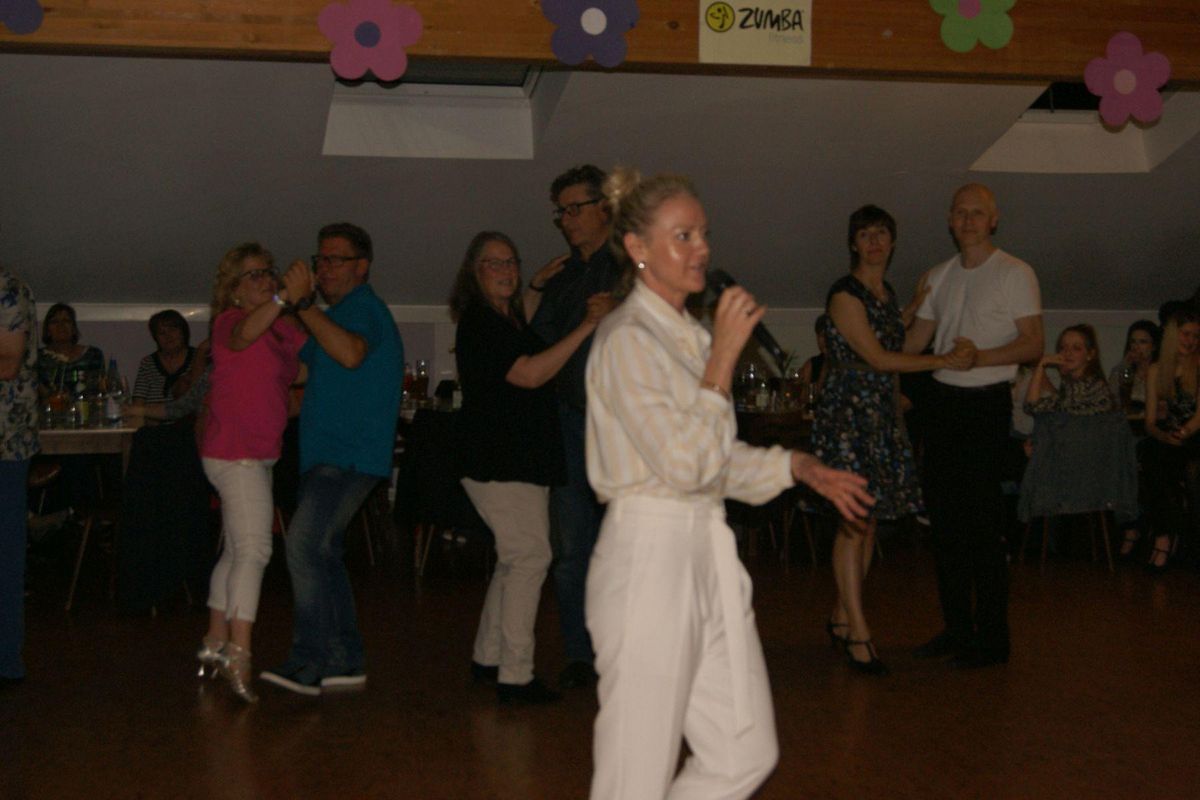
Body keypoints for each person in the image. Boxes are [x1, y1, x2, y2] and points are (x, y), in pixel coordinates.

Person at [585, 167, 874, 799]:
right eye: (683, 235)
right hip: (648, 556)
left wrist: (796, 467)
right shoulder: (626, 339)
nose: (702, 249)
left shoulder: (688, 337)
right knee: (635, 776)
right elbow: (683, 464)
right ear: (637, 248)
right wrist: (721, 360)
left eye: (704, 234)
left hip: (706, 551)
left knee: (744, 751)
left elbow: (713, 461)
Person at [449, 231, 612, 705]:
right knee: (530, 558)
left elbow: (525, 335)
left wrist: (536, 288)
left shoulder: (504, 317)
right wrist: (587, 325)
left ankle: (488, 658)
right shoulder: (481, 321)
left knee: (515, 558)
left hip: (516, 458)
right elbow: (529, 372)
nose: (506, 270)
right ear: (474, 271)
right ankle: (515, 676)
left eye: (511, 262)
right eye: (493, 263)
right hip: (499, 460)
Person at [811, 205, 973, 676]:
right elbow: (879, 358)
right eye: (865, 235)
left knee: (868, 522)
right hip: (848, 416)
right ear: (853, 243)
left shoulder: (884, 294)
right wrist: (944, 361)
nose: (875, 243)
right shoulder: (844, 295)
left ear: (893, 241)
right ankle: (859, 632)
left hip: (878, 414)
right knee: (853, 522)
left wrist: (913, 306)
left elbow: (891, 335)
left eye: (882, 234)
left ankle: (842, 616)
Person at [260, 222, 402, 696]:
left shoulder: (364, 309)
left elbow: (351, 353)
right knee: (322, 552)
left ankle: (310, 661)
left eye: (335, 259)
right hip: (329, 454)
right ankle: (344, 658)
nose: (324, 268)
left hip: (348, 455)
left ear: (362, 267)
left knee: (302, 546)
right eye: (320, 259)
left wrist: (304, 307)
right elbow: (307, 371)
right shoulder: (338, 316)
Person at [906, 183, 1043, 670]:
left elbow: (1032, 344)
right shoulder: (938, 276)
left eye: (977, 213)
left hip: (985, 404)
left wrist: (978, 357)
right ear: (949, 220)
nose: (968, 220)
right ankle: (957, 629)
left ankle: (992, 639)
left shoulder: (1015, 272)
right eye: (961, 212)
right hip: (942, 403)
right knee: (944, 524)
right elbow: (914, 343)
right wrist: (882, 327)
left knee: (982, 527)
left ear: (994, 219)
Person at [194, 243, 307, 703]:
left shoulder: (281, 329)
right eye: (254, 274)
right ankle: (239, 654)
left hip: (259, 453)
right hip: (234, 451)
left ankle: (214, 640)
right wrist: (282, 299)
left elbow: (307, 366)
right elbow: (243, 337)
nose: (266, 279)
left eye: (269, 272)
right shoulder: (229, 322)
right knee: (257, 551)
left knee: (238, 550)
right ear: (234, 289)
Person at [526, 164, 624, 690]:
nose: (566, 220)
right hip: (566, 420)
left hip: (621, 426)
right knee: (570, 548)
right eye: (560, 212)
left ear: (604, 207)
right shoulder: (562, 276)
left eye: (574, 209)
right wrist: (535, 286)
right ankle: (580, 653)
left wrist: (622, 310)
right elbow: (534, 340)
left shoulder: (633, 266)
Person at [1141, 308, 1200, 572]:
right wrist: (1164, 435)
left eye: (1196, 336)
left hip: (1194, 434)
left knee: (1192, 469)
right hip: (1168, 435)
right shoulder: (1157, 370)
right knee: (1151, 456)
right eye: (1186, 335)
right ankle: (1163, 536)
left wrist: (1184, 433)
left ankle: (1186, 540)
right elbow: (1150, 421)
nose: (1191, 341)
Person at [0, 264, 37, 686]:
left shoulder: (8, 289)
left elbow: (9, 362)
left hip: (5, 443)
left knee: (5, 556)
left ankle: (6, 658)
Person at [1025, 324, 1114, 416]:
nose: (1068, 352)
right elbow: (1031, 407)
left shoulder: (1091, 387)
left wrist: (1041, 364)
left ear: (1090, 354)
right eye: (1063, 347)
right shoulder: (1069, 385)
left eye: (1076, 348)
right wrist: (1041, 365)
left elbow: (1033, 407)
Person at [132, 309, 198, 402]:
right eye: (161, 333)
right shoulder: (148, 364)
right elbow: (138, 402)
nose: (168, 336)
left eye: (172, 330)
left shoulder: (199, 358)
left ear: (183, 332)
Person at [36, 302, 104, 390]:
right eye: (55, 322)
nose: (61, 325)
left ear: (74, 328)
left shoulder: (93, 355)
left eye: (66, 321)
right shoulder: (38, 358)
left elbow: (98, 387)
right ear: (48, 330)